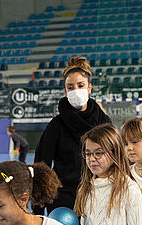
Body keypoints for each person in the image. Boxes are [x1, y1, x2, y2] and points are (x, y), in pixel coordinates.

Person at [34, 56, 111, 214]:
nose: (76, 90)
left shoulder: (104, 122)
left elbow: (116, 161)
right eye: (70, 87)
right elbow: (41, 167)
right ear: (65, 91)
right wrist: (38, 209)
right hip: (63, 200)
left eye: (80, 85)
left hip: (99, 197)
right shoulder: (56, 125)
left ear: (89, 88)